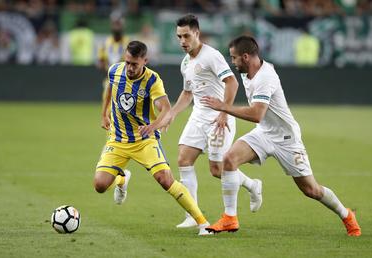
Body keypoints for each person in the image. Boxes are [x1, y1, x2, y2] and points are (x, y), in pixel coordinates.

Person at [202, 35, 361, 236]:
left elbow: (257, 114)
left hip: (286, 139)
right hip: (264, 133)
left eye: (234, 58)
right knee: (229, 159)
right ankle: (230, 218)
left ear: (245, 57)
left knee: (311, 190)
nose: (232, 62)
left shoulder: (265, 77)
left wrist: (224, 107)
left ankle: (346, 215)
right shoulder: (248, 71)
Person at [93, 40, 212, 235]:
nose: (130, 68)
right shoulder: (115, 70)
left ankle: (203, 223)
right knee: (99, 185)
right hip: (118, 139)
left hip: (144, 140)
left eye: (134, 64)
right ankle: (121, 179)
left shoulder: (152, 81)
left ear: (145, 61)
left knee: (165, 179)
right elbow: (110, 89)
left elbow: (165, 108)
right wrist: (104, 113)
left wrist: (153, 126)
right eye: (127, 62)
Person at [169, 14, 262, 229]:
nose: (182, 41)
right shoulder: (185, 62)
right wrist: (172, 113)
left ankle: (252, 185)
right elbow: (187, 93)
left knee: (217, 170)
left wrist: (223, 113)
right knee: (183, 160)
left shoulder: (211, 56)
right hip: (198, 116)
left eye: (186, 36)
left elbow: (232, 83)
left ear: (197, 33)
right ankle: (193, 214)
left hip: (219, 118)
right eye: (179, 37)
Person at [97, 11, 130, 101]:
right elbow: (100, 62)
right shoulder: (105, 43)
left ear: (123, 25)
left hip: (126, 83)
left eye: (118, 23)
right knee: (107, 112)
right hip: (110, 81)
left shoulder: (129, 43)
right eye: (115, 23)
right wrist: (108, 68)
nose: (117, 26)